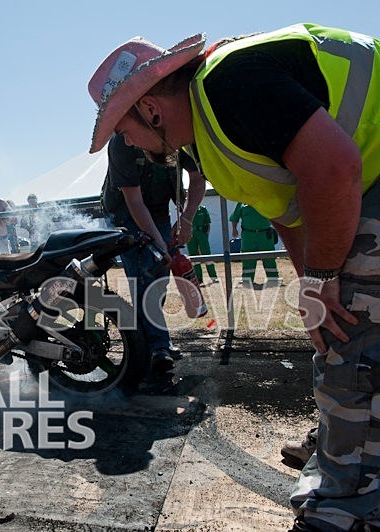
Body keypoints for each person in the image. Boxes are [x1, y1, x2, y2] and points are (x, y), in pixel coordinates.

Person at [86, 24, 380, 530]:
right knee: (333, 332)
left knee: (352, 336)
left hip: (364, 173)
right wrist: (312, 286)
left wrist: (326, 275)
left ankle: (349, 502)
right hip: (365, 171)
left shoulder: (227, 85)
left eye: (123, 128)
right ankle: (345, 438)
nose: (126, 140)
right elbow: (288, 208)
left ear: (152, 109)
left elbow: (333, 168)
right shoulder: (206, 129)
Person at [102, 133, 206, 372]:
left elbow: (198, 179)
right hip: (125, 214)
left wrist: (186, 220)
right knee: (145, 272)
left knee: (160, 278)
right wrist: (160, 244)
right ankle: (157, 347)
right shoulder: (123, 142)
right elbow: (134, 201)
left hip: (158, 212)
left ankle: (147, 341)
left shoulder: (177, 132)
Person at [230, 202, 281, 287]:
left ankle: (273, 279)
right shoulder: (241, 202)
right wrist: (234, 229)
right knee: (247, 257)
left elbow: (275, 215)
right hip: (248, 235)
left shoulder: (264, 199)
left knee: (269, 257)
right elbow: (235, 217)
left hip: (264, 234)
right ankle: (247, 280)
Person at [186, 205, 219, 284]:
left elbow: (208, 223)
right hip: (190, 234)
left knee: (206, 254)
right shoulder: (186, 209)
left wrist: (205, 235)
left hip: (201, 233)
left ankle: (213, 277)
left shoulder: (202, 209)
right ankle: (198, 278)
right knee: (194, 256)